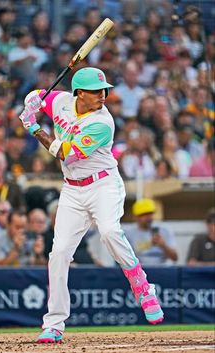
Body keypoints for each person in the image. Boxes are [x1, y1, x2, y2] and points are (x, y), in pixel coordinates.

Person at [18, 67, 164, 344]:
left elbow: (65, 155)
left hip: (103, 185)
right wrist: (31, 101)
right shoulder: (61, 101)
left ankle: (141, 285)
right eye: (97, 91)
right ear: (79, 93)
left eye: (104, 90)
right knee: (58, 253)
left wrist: (34, 127)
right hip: (72, 191)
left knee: (109, 231)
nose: (103, 96)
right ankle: (54, 323)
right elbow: (38, 95)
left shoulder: (102, 122)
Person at [123, 198, 178, 266]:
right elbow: (124, 259)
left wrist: (163, 245)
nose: (148, 217)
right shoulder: (128, 233)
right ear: (135, 217)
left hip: (162, 268)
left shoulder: (164, 230)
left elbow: (175, 257)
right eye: (144, 214)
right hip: (139, 269)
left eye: (150, 213)